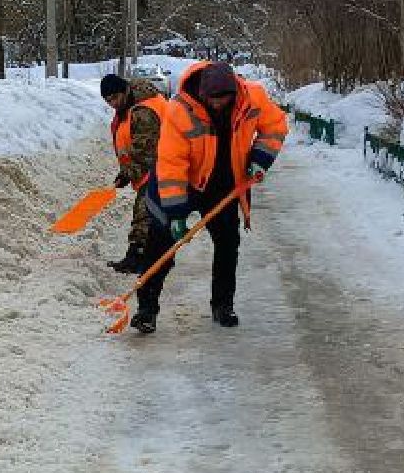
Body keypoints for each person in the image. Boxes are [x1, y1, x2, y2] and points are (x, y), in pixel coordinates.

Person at [124, 60, 288, 333]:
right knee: (160, 244)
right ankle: (146, 310)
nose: (218, 104)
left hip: (224, 185)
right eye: (212, 99)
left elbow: (275, 125)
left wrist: (260, 158)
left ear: (234, 93)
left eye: (223, 99)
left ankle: (223, 305)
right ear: (202, 93)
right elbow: (171, 164)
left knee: (227, 244)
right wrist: (176, 213)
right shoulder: (179, 110)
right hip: (183, 184)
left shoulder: (252, 97)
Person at [99, 73, 168, 272]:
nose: (112, 103)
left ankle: (137, 257)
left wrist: (127, 173)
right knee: (151, 213)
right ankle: (152, 255)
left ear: (125, 90)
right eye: (108, 100)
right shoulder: (129, 106)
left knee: (144, 212)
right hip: (154, 167)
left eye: (114, 98)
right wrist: (126, 172)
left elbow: (147, 153)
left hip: (163, 166)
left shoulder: (143, 112)